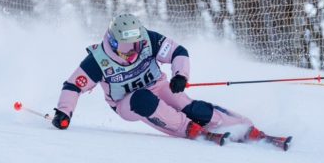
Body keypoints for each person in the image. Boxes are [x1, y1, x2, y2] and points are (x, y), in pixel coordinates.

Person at [51, 12, 269, 145]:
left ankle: (241, 126)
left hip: (159, 85)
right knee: (142, 99)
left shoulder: (148, 40)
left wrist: (180, 75)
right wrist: (64, 112)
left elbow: (178, 51)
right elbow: (73, 85)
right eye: (126, 46)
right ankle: (187, 128)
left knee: (192, 108)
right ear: (114, 42)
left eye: (135, 44)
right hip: (127, 103)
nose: (132, 51)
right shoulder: (99, 59)